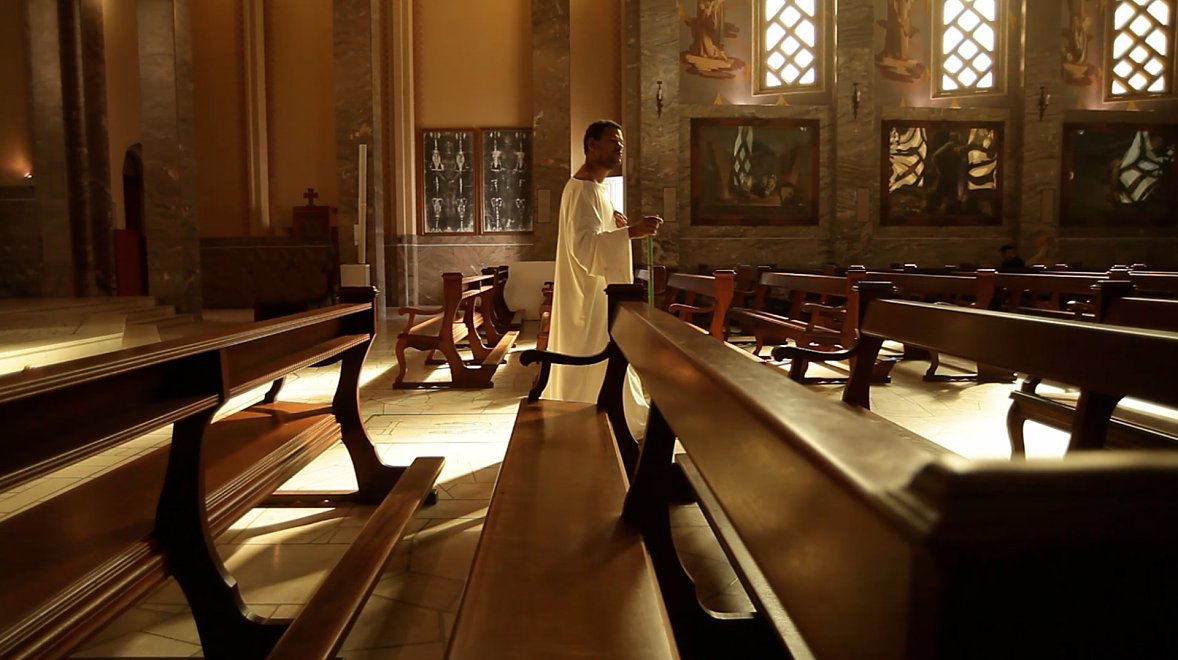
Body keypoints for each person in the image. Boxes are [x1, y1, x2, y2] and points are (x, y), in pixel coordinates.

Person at [546, 120, 662, 430]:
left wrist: (620, 229)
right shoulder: (581, 189)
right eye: (612, 141)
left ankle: (607, 413)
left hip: (599, 294)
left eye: (621, 142)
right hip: (589, 296)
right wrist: (630, 232)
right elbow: (583, 248)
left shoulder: (596, 189)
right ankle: (590, 414)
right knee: (592, 350)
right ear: (591, 145)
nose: (619, 147)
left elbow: (599, 234)